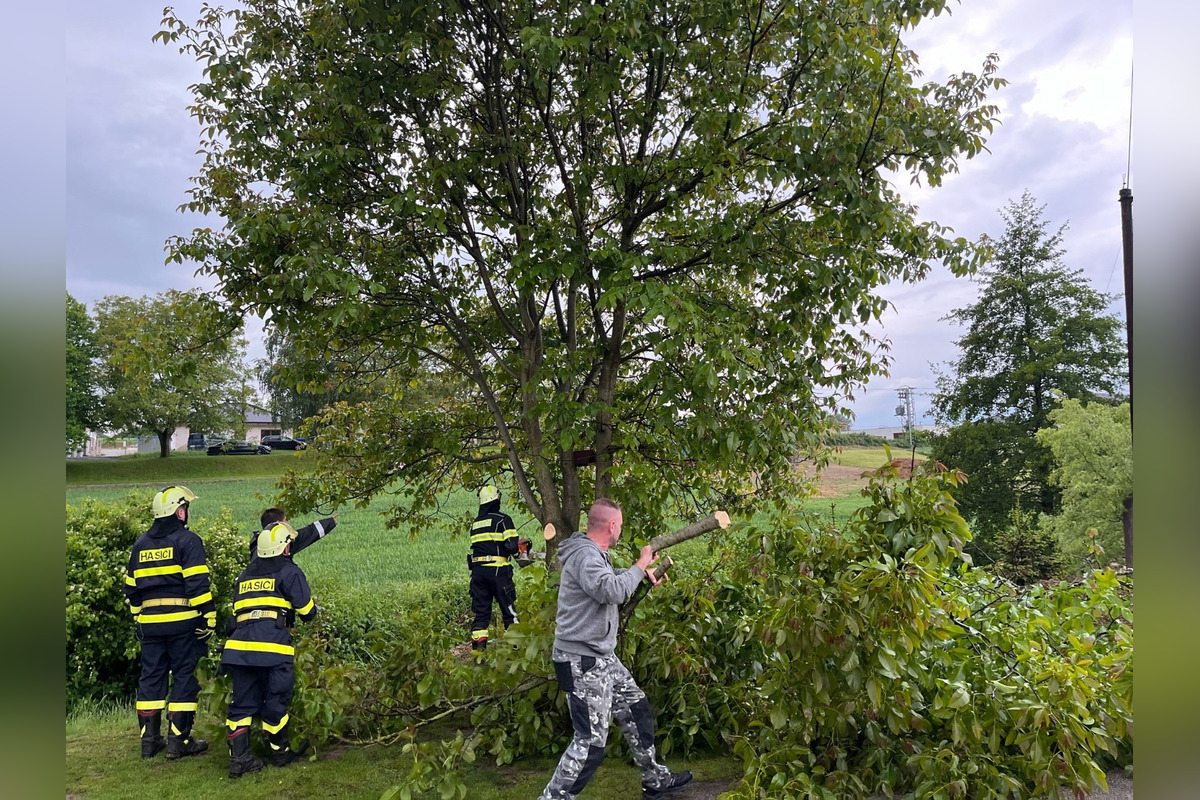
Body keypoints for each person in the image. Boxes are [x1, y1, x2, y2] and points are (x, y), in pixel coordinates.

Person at [537, 498, 693, 800]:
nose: (620, 530)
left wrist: (641, 572)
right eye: (619, 525)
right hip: (581, 661)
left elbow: (609, 579)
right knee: (590, 744)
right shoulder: (585, 555)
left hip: (601, 658)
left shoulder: (594, 555)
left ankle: (655, 780)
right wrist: (640, 564)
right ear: (611, 526)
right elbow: (612, 590)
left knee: (637, 709)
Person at [220, 522, 317, 778]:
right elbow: (308, 611)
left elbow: (235, 613)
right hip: (273, 649)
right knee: (276, 701)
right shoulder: (289, 571)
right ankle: (279, 752)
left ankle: (239, 760)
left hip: (239, 650)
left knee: (241, 704)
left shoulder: (245, 575)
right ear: (284, 548)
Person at [124, 485, 214, 760]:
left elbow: (131, 588)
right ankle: (179, 742)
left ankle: (149, 742)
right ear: (179, 512)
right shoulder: (188, 541)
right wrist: (209, 617)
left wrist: (139, 616)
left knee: (151, 677)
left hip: (149, 624)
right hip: (183, 622)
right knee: (185, 676)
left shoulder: (140, 544)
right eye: (185, 507)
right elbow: (197, 583)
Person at [467, 485, 530, 651]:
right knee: (509, 610)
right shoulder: (503, 520)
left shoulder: (475, 523)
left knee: (481, 614)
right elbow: (511, 546)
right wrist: (520, 548)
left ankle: (479, 653)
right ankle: (516, 650)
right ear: (496, 499)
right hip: (498, 571)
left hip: (478, 572)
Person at [248, 507, 338, 561]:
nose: (288, 523)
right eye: (286, 520)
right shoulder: (285, 542)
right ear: (279, 523)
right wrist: (330, 522)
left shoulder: (256, 542)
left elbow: (308, 532)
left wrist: (329, 522)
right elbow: (307, 534)